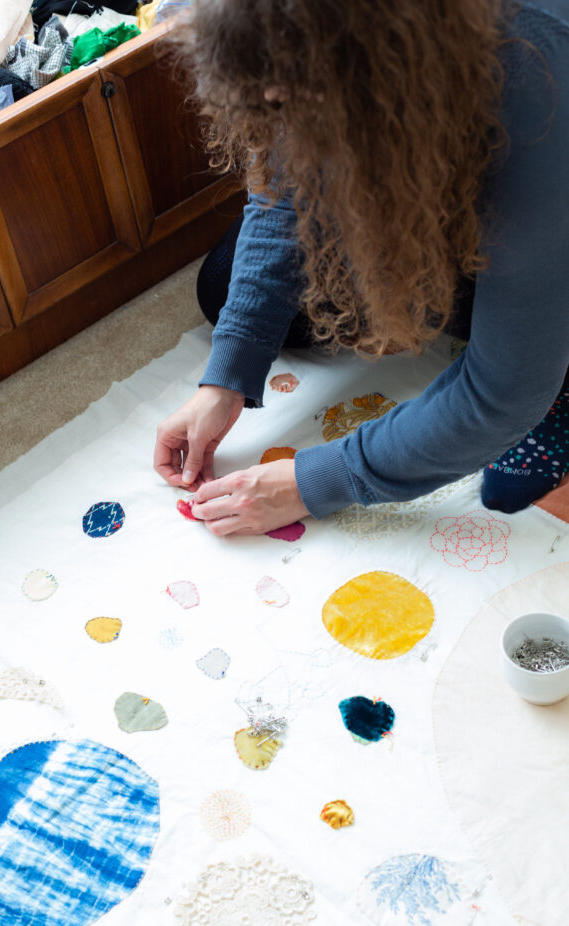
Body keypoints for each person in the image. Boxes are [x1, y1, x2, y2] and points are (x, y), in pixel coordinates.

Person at [153, 0, 569, 536]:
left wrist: (312, 481)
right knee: (224, 284)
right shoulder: (294, 30)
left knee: (522, 371)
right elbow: (285, 189)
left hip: (546, 182)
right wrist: (225, 379)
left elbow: (503, 393)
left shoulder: (538, 76)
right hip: (446, 145)